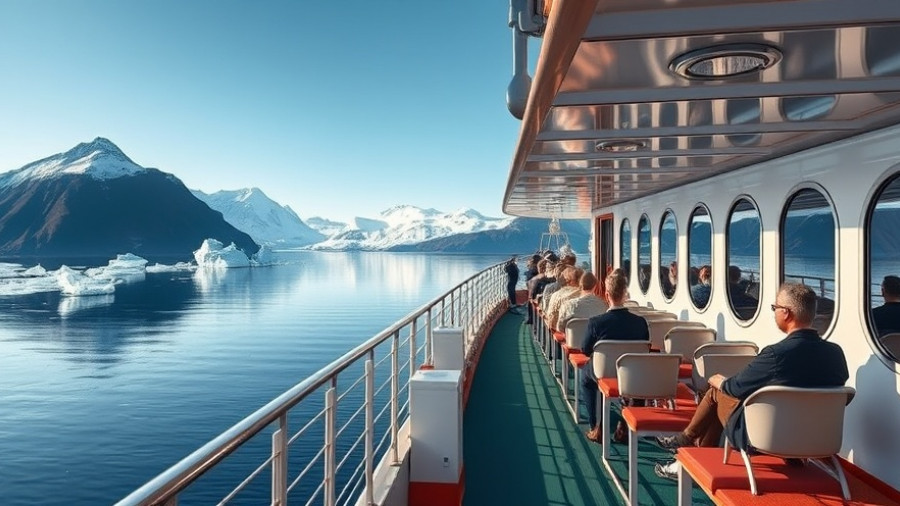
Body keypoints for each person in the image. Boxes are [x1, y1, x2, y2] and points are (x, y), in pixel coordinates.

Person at [654, 283, 849, 480]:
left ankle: (686, 441)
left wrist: (718, 380)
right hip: (817, 440)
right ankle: (687, 457)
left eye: (774, 308)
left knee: (717, 390)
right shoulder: (836, 354)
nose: (773, 313)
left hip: (766, 439)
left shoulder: (775, 355)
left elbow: (734, 387)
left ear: (786, 313)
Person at [580, 270, 649, 442]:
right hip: (632, 374)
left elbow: (585, 350)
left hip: (603, 372)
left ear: (607, 294)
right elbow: (644, 348)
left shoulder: (596, 322)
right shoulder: (640, 322)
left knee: (586, 379)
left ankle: (596, 426)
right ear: (625, 293)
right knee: (639, 372)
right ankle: (625, 428)